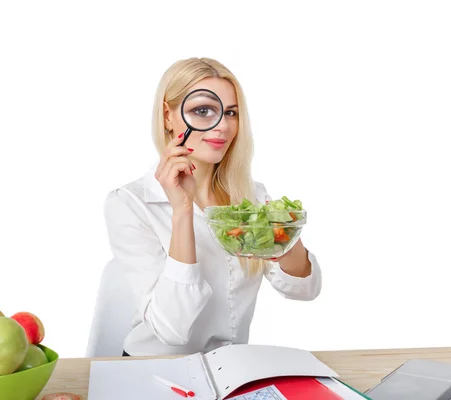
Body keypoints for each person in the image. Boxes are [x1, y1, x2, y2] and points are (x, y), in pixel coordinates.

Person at [103, 57, 322, 357]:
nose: (221, 126)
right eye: (202, 111)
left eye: (230, 112)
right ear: (168, 116)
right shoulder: (129, 204)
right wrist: (182, 212)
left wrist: (286, 234)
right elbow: (172, 330)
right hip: (153, 369)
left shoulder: (252, 197)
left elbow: (304, 290)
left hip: (231, 370)